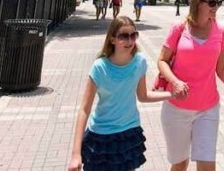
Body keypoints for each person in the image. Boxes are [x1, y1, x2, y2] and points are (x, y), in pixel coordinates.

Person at [157, 0, 224, 171]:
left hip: (208, 108)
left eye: (219, 2)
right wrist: (175, 82)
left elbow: (222, 70)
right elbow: (162, 61)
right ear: (197, 2)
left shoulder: (220, 32)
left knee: (208, 165)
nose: (216, 6)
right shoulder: (179, 27)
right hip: (176, 108)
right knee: (179, 164)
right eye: (212, 2)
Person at [68, 16, 172, 171]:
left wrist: (171, 94)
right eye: (124, 36)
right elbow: (84, 109)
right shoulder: (100, 67)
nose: (129, 41)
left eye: (133, 35)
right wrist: (76, 154)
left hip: (129, 133)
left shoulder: (140, 62)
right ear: (112, 39)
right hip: (101, 135)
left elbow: (143, 96)